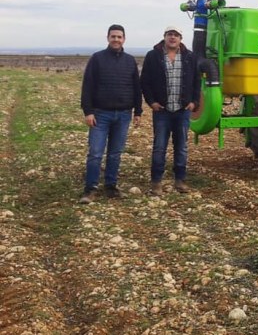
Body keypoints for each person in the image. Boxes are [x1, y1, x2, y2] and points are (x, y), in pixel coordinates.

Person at [79, 24, 142, 203]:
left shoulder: (130, 61)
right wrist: (88, 112)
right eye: (113, 36)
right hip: (100, 114)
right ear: (108, 38)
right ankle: (90, 189)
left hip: (123, 115)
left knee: (115, 153)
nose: (116, 39)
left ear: (124, 39)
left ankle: (111, 186)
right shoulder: (97, 59)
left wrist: (138, 111)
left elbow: (137, 88)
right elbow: (88, 86)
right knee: (96, 153)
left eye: (119, 37)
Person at [140, 26, 201, 196]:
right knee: (159, 147)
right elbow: (145, 81)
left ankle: (180, 180)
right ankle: (156, 182)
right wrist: (151, 102)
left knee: (181, 147)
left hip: (182, 110)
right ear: (164, 37)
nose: (172, 37)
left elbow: (197, 81)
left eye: (176, 35)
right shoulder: (153, 56)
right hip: (162, 111)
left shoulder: (190, 57)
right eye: (169, 34)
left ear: (181, 38)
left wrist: (194, 102)